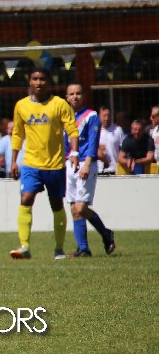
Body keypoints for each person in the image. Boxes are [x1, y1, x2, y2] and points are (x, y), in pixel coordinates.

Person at [9, 69, 77, 260]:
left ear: (48, 82)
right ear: (30, 81)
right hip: (31, 164)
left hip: (55, 165)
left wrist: (75, 153)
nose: (39, 82)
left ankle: (59, 249)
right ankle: (24, 246)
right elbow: (17, 134)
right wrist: (13, 161)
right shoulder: (21, 106)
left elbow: (72, 130)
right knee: (26, 198)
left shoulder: (60, 104)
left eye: (42, 79)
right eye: (35, 79)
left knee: (56, 205)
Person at [63, 84, 116, 257]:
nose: (75, 97)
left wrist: (87, 163)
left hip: (85, 163)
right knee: (74, 208)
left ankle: (105, 233)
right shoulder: (66, 117)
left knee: (81, 207)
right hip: (69, 164)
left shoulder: (91, 116)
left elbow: (93, 142)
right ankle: (83, 249)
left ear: (84, 96)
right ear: (66, 97)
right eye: (71, 94)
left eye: (78, 93)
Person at [97, 107, 124, 174]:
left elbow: (123, 150)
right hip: (98, 170)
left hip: (114, 170)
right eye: (104, 116)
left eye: (108, 115)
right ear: (99, 116)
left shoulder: (118, 130)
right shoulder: (95, 131)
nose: (107, 118)